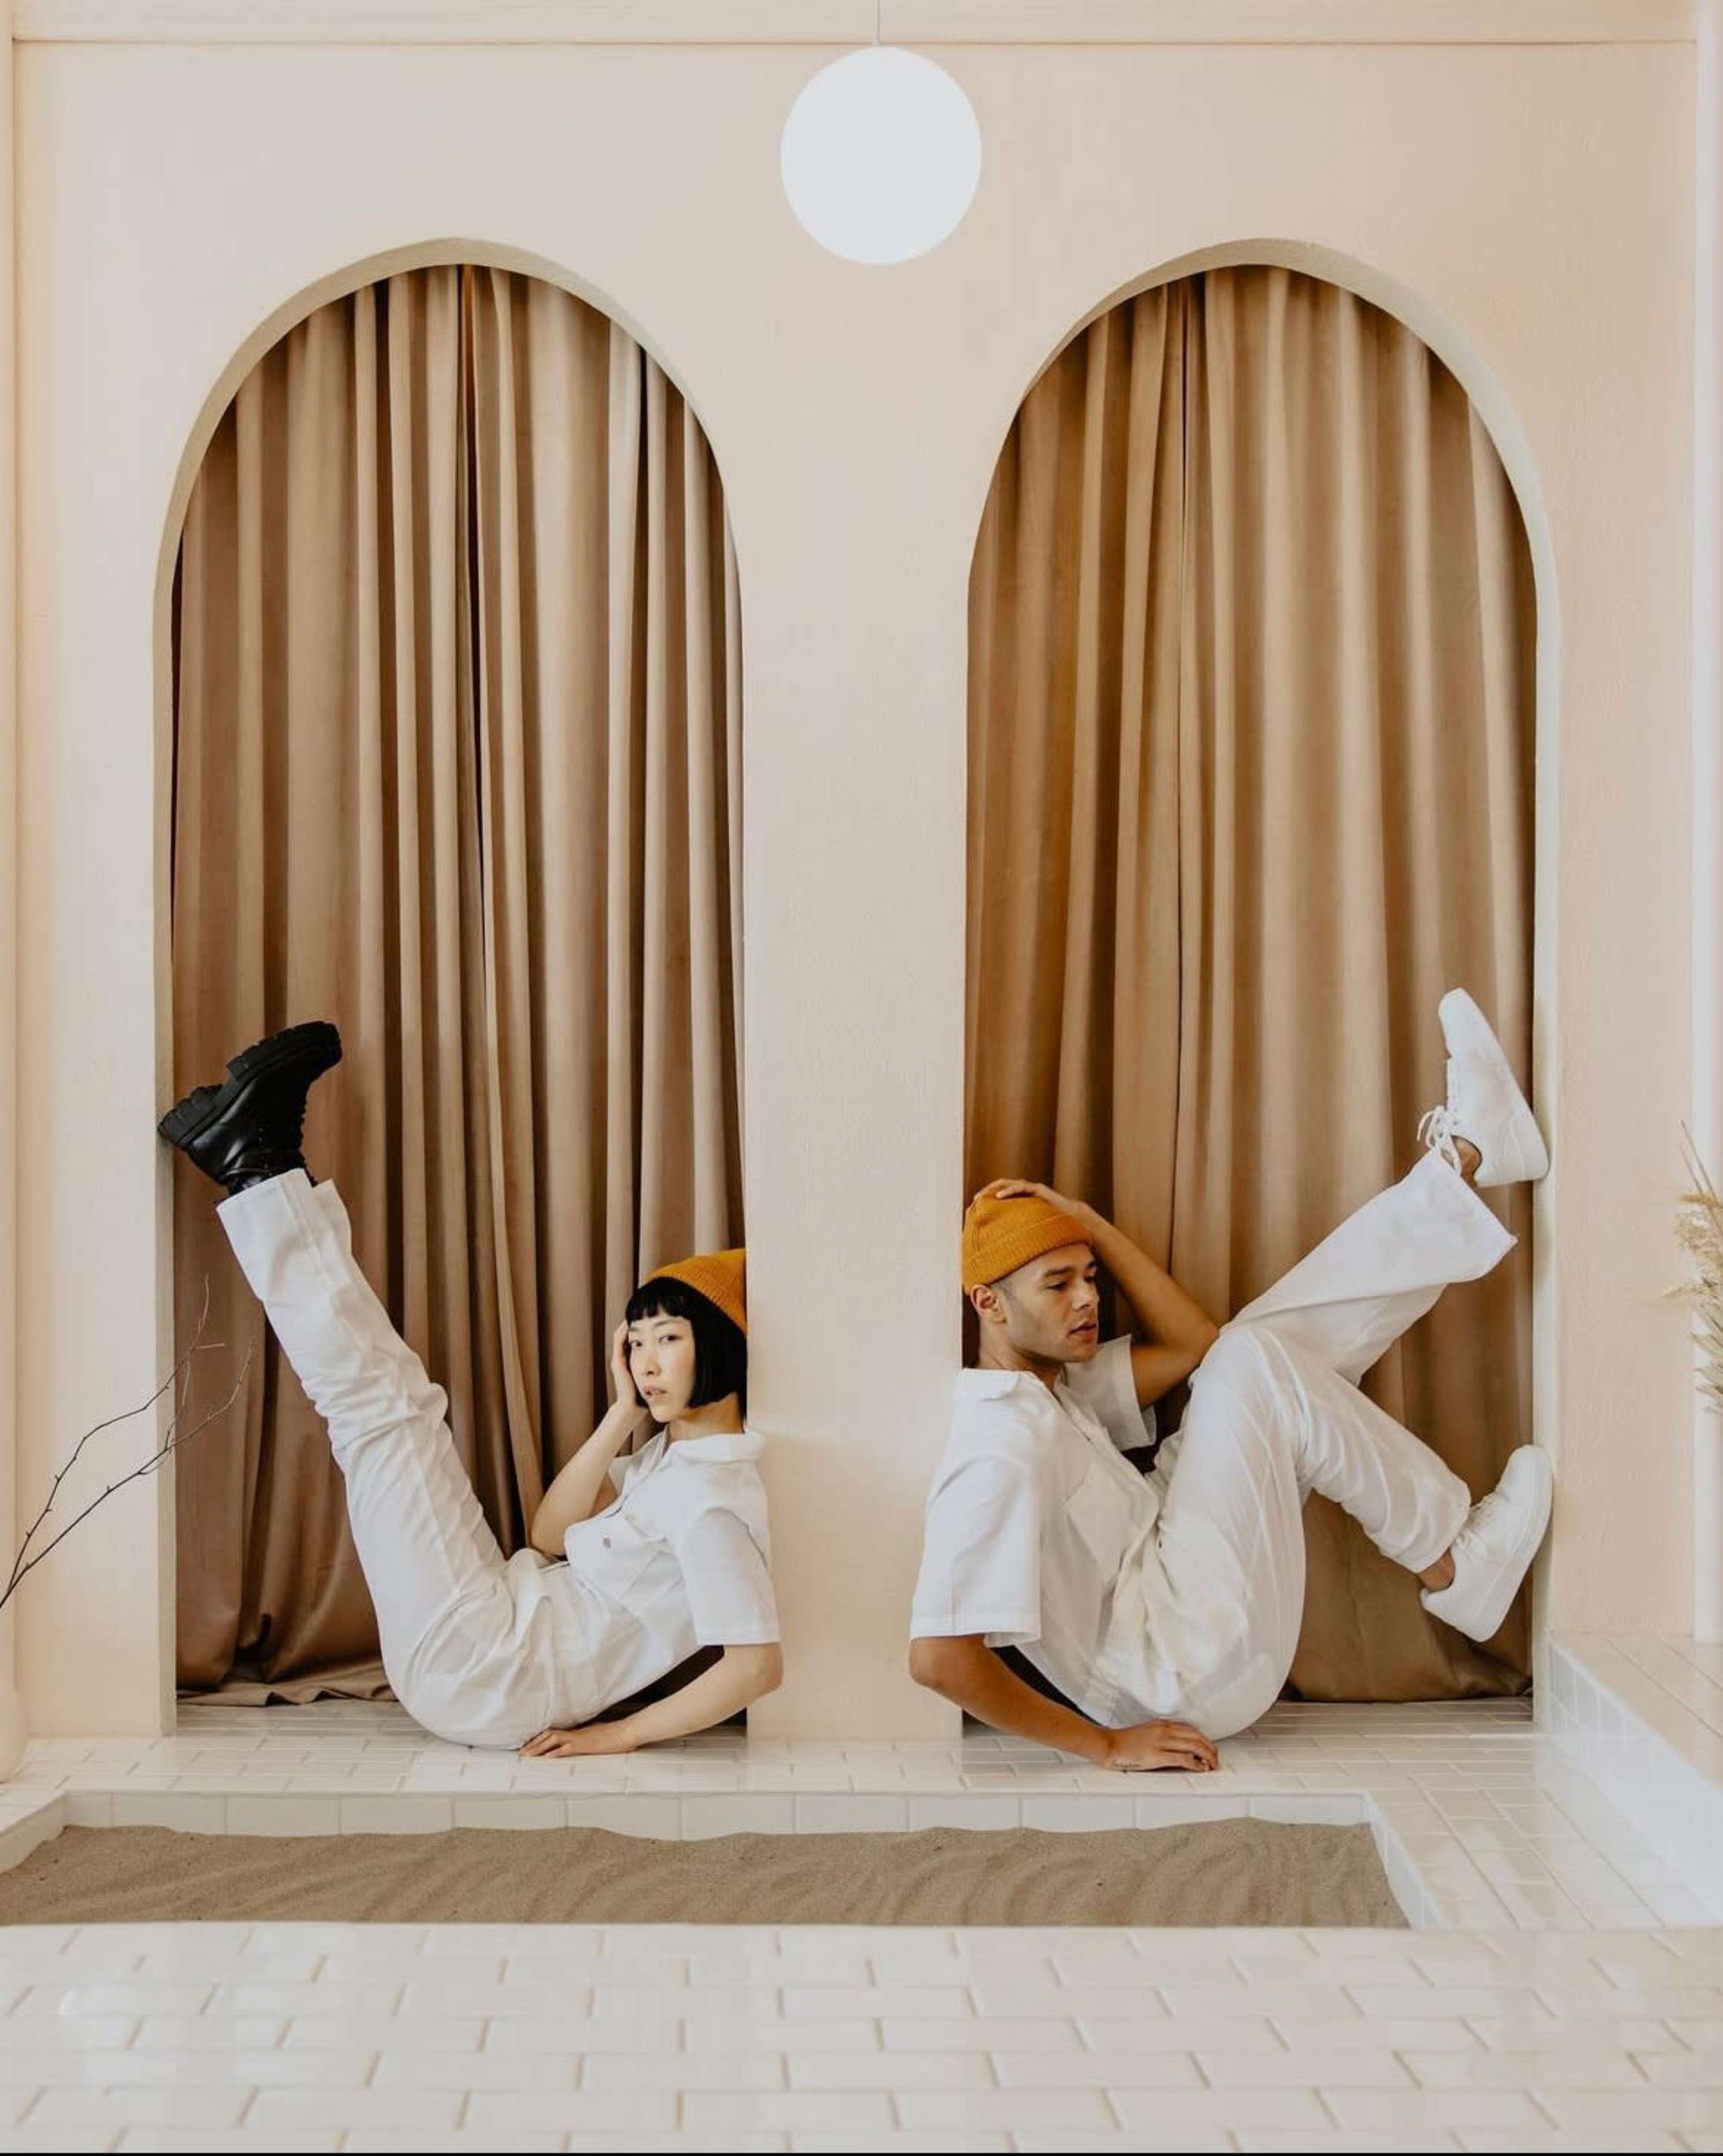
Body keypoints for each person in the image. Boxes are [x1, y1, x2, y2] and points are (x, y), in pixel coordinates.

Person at [908, 989, 1553, 1773]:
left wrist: (1086, 1219)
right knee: (1252, 1363)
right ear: (989, 1305)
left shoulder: (1054, 1391)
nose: (1087, 1300)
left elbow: (1195, 1343)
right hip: (1180, 1667)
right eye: (1056, 1285)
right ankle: (1450, 1557)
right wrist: (1107, 1744)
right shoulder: (995, 1448)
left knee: (1252, 1348)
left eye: (1090, 1277)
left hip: (1176, 1577)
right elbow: (940, 1657)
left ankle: (1466, 1163)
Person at [158, 1021, 782, 1755]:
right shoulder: (671, 1464)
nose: (646, 1361)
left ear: (722, 1350)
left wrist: (617, 1736)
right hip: (495, 1624)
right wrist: (621, 1414)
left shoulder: (715, 1504)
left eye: (669, 1339)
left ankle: (255, 1164)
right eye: (635, 1341)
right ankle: (255, 1167)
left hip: (488, 1667)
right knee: (401, 1409)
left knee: (386, 1414)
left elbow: (756, 1664)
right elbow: (550, 1536)